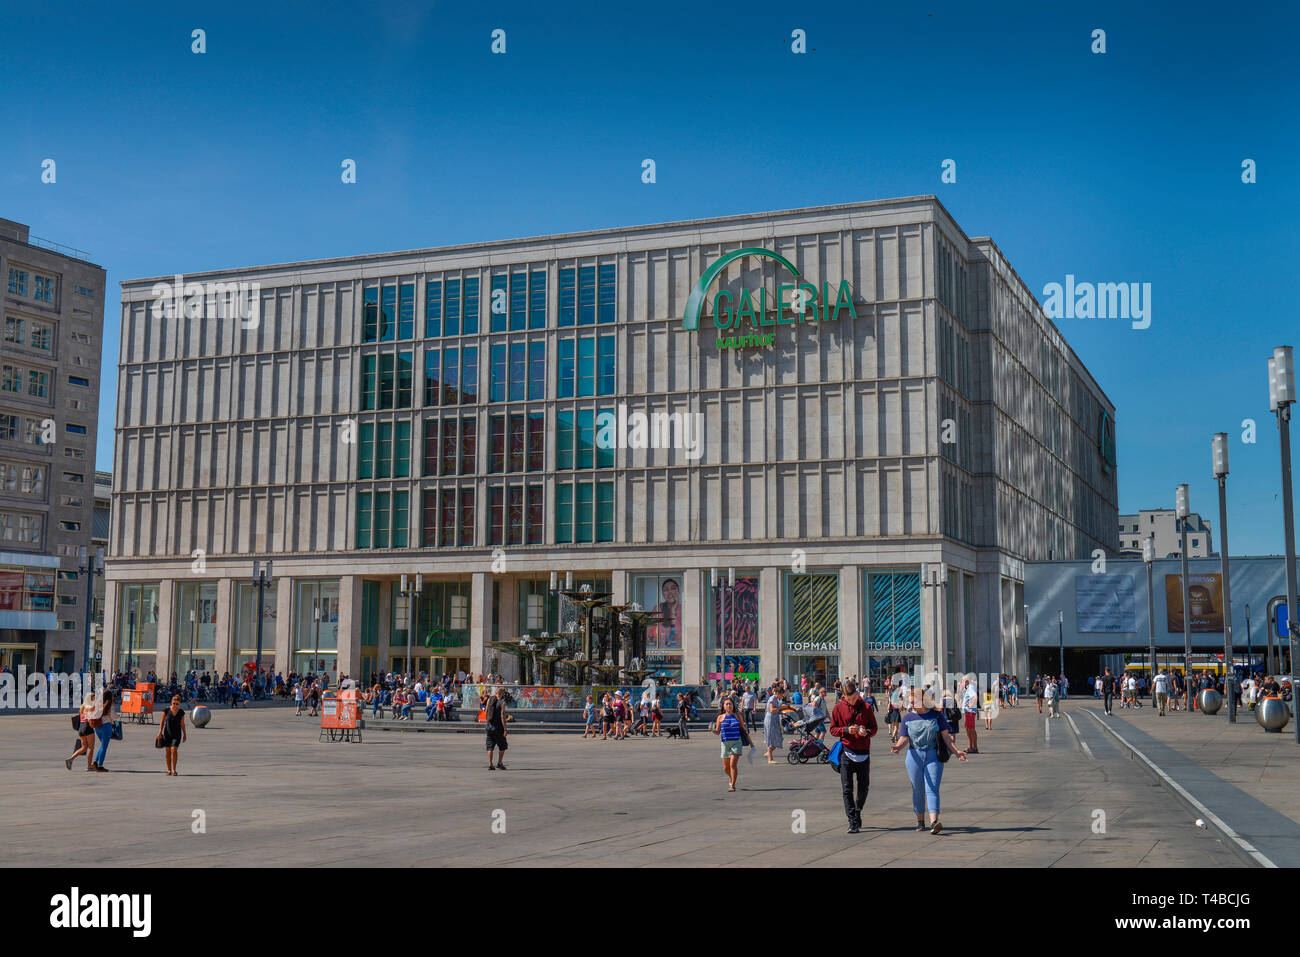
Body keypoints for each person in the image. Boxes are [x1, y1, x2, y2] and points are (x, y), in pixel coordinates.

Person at [891, 688, 967, 834]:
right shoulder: (908, 717)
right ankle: (920, 821)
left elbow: (946, 737)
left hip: (933, 755)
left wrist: (956, 752)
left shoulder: (936, 715)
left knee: (932, 788)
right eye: (910, 702)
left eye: (914, 702)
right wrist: (898, 747)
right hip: (914, 756)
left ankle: (934, 822)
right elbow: (904, 737)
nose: (911, 705)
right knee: (917, 789)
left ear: (923, 701)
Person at [829, 680, 878, 834]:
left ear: (857, 693)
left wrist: (867, 732)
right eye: (848, 699)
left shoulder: (867, 707)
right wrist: (846, 730)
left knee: (864, 787)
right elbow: (833, 729)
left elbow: (874, 727)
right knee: (847, 788)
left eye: (854, 698)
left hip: (863, 751)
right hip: (846, 751)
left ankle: (857, 810)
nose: (852, 701)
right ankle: (852, 821)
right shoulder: (838, 708)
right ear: (844, 696)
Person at [713, 697, 746, 792]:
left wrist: (751, 743)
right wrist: (712, 730)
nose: (728, 706)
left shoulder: (738, 716)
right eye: (726, 704)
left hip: (736, 742)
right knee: (726, 768)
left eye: (730, 704)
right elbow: (717, 731)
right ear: (723, 706)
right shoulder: (720, 717)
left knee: (732, 765)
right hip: (725, 743)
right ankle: (731, 778)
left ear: (733, 705)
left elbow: (743, 730)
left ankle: (733, 785)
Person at [66, 692, 98, 771]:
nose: (95, 699)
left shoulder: (82, 707)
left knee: (84, 748)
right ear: (90, 699)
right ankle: (89, 766)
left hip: (81, 728)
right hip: (88, 727)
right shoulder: (91, 707)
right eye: (93, 698)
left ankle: (70, 759)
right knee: (91, 747)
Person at [158, 695, 188, 775]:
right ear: (171, 702)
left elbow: (182, 724)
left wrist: (185, 734)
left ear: (179, 704)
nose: (175, 705)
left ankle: (174, 769)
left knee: (174, 750)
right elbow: (162, 722)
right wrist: (160, 733)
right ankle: (169, 770)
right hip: (167, 734)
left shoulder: (181, 712)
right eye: (174, 703)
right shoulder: (166, 710)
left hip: (177, 734)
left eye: (177, 704)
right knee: (168, 752)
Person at [486, 687, 509, 771]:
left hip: (489, 727)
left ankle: (490, 764)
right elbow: (502, 716)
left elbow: (486, 712)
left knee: (490, 746)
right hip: (498, 728)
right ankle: (499, 763)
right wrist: (505, 729)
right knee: (502, 746)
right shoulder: (502, 702)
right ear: (502, 694)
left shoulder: (489, 700)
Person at [91, 689, 115, 772]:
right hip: (106, 726)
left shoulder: (97, 704)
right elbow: (113, 716)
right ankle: (100, 765)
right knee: (104, 747)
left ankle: (95, 762)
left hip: (97, 726)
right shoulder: (109, 705)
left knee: (102, 745)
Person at [763, 686, 783, 764]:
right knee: (770, 738)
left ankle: (769, 753)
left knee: (779, 738)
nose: (782, 696)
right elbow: (771, 710)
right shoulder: (772, 699)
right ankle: (770, 759)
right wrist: (780, 707)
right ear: (777, 693)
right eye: (781, 694)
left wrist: (781, 711)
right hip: (770, 720)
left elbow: (776, 709)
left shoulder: (776, 699)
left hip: (774, 719)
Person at [960, 677, 979, 753]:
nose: (961, 683)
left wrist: (971, 704)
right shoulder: (969, 687)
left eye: (962, 681)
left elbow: (975, 697)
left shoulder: (970, 687)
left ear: (966, 681)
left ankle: (974, 747)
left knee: (971, 729)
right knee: (968, 729)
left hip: (969, 711)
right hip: (968, 711)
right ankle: (970, 746)